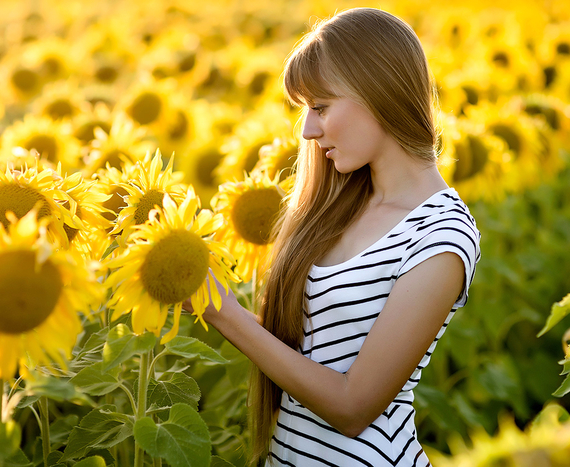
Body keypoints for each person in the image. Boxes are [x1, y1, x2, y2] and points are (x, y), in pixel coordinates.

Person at [196, 7, 481, 466]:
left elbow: (353, 407)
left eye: (321, 107)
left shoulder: (441, 235)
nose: (308, 130)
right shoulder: (340, 203)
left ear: (378, 92)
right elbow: (301, 352)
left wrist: (224, 315)